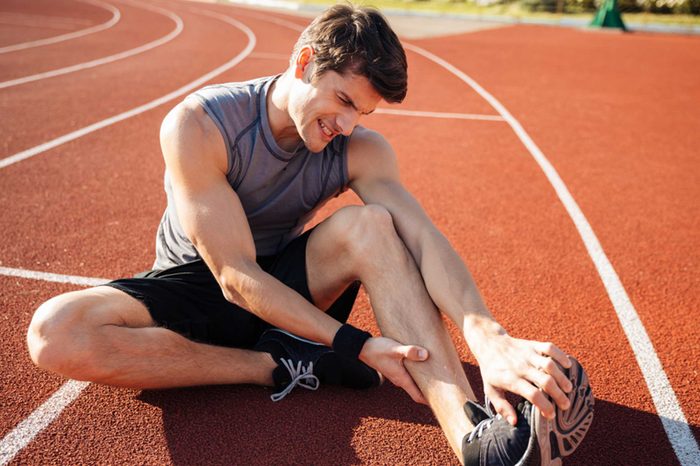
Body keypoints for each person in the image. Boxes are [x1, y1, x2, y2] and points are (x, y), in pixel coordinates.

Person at [26, 4, 593, 465]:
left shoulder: (359, 148)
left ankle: (473, 434)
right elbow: (233, 277)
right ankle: (280, 364)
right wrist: (352, 344)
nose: (346, 126)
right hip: (195, 282)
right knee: (54, 335)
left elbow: (421, 235)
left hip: (288, 285)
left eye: (362, 112)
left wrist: (487, 335)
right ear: (302, 62)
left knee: (373, 225)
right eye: (343, 101)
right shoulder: (202, 124)